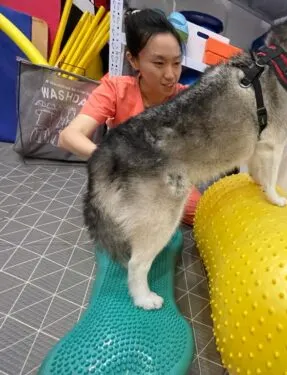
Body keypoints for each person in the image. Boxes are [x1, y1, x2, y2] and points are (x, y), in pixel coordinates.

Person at [58, 8, 200, 226]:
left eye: (177, 63)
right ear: (133, 61)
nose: (170, 74)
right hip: (123, 176)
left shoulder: (186, 99)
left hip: (166, 178)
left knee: (198, 211)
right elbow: (68, 136)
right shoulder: (115, 89)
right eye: (159, 63)